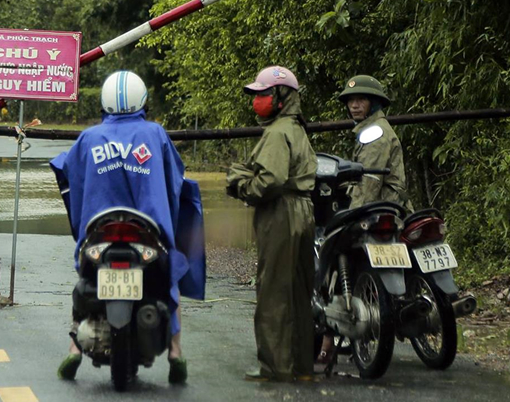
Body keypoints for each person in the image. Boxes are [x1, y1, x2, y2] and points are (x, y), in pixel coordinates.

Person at [50, 70, 205, 385]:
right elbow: (175, 177)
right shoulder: (156, 135)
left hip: (100, 231)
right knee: (167, 280)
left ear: (104, 102)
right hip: (148, 229)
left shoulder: (88, 139)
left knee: (86, 274)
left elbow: (71, 177)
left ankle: (74, 349)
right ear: (143, 100)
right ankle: (175, 352)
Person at [226, 65, 316, 382]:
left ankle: (276, 367)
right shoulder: (295, 128)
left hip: (281, 211)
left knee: (274, 291)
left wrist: (241, 186)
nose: (257, 101)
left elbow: (271, 179)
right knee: (299, 293)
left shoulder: (278, 133)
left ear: (280, 97)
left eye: (263, 94)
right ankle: (302, 366)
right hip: (304, 210)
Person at [337, 74, 409, 209]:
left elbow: (368, 184)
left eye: (361, 99)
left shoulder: (375, 133)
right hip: (383, 208)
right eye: (351, 100)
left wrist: (352, 218)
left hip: (382, 212)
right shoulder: (371, 129)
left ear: (374, 103)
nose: (354, 106)